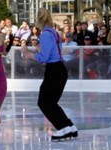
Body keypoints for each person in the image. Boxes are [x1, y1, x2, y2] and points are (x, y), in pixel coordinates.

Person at [22, 8, 77, 141]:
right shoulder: (54, 32)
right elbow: (52, 50)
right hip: (59, 69)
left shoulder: (45, 34)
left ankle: (63, 128)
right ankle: (69, 126)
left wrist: (28, 54)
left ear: (38, 20)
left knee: (44, 102)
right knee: (51, 102)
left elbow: (44, 58)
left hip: (54, 71)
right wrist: (39, 49)